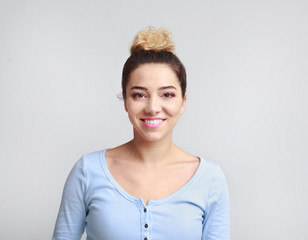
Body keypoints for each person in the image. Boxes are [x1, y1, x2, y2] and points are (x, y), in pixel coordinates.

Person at [52, 27, 230, 240]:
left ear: (183, 102)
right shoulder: (87, 171)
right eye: (139, 95)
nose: (153, 107)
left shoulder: (210, 179)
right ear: (125, 101)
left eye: (167, 94)